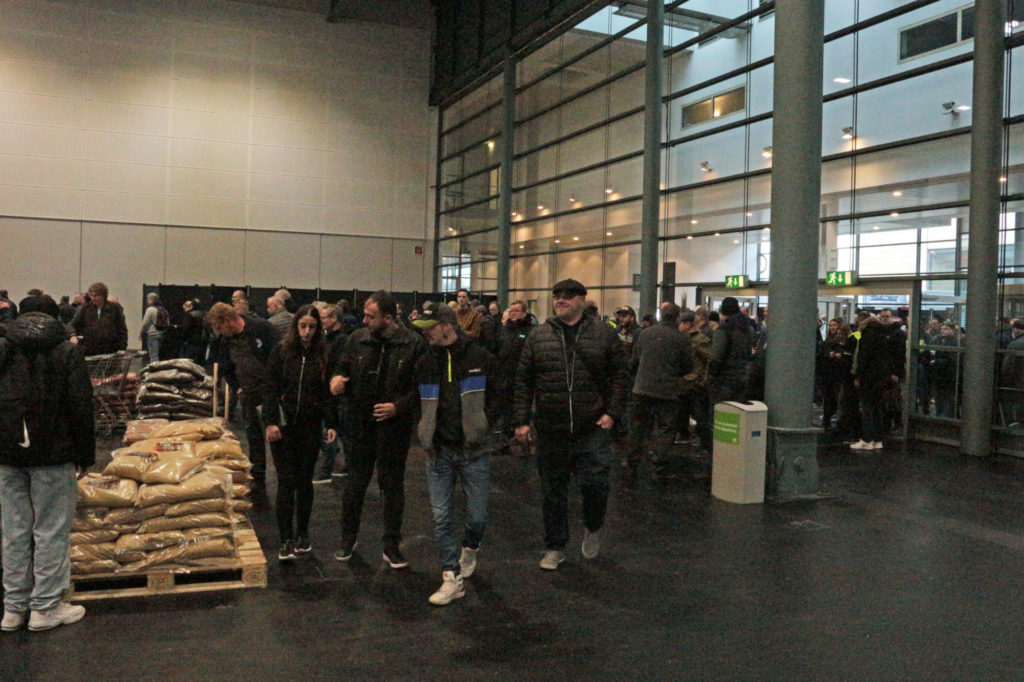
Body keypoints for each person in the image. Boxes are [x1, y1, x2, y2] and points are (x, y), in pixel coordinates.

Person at [512, 278, 629, 570]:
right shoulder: (539, 336)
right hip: (552, 428)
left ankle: (593, 525)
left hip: (592, 427)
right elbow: (524, 382)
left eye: (567, 296)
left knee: (596, 485)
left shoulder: (604, 334)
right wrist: (521, 421)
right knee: (553, 492)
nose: (560, 300)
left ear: (581, 299)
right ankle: (555, 546)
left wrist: (612, 414)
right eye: (556, 296)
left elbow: (620, 377)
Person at [0, 309, 95, 632]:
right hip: (53, 455)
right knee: (50, 530)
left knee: (13, 532)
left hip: (8, 454)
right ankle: (45, 608)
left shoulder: (4, 349)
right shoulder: (67, 352)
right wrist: (85, 455)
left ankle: (13, 609)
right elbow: (80, 405)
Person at [330, 290, 426, 568]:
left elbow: (422, 388)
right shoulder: (357, 339)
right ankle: (348, 539)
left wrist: (398, 407)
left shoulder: (413, 344)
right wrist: (337, 379)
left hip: (395, 427)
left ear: (388, 318)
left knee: (392, 486)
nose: (364, 320)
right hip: (359, 424)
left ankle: (391, 545)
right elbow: (341, 365)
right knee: (355, 484)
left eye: (370, 317)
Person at [412, 302, 497, 605]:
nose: (425, 334)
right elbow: (415, 402)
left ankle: (470, 547)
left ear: (447, 326)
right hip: (439, 452)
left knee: (477, 517)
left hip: (474, 452)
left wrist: (485, 425)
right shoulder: (423, 362)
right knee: (440, 516)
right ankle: (451, 576)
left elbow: (499, 395)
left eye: (429, 327)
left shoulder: (480, 357)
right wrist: (423, 433)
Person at [263, 306, 337, 560]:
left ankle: (302, 535)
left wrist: (331, 423)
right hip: (283, 428)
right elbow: (270, 388)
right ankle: (285, 539)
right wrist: (270, 422)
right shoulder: (281, 352)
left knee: (304, 482)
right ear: (295, 326)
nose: (307, 331)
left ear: (319, 328)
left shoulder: (323, 356)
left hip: (310, 427)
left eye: (312, 327)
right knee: (285, 482)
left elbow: (327, 395)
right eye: (303, 326)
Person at [206, 303, 278, 494]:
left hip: (272, 391)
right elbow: (225, 366)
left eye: (219, 327)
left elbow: (279, 357)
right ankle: (258, 476)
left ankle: (286, 475)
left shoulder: (262, 328)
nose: (219, 332)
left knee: (277, 433)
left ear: (228, 320)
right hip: (248, 392)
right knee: (254, 436)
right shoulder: (224, 340)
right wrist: (236, 387)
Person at [624, 302, 693, 483]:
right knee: (666, 429)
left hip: (642, 388)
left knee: (637, 427)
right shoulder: (682, 339)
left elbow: (634, 360)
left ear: (660, 316)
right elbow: (688, 366)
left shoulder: (645, 334)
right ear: (677, 318)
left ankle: (631, 464)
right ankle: (659, 467)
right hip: (667, 392)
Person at [313, 305, 350, 483]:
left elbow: (338, 366)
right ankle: (343, 466)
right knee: (337, 430)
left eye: (325, 317)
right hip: (327, 391)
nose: (321, 321)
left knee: (332, 429)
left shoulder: (342, 340)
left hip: (335, 394)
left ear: (334, 319)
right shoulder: (327, 339)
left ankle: (327, 470)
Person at [851, 314, 896, 450]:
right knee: (877, 408)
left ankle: (867, 439)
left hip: (868, 377)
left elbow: (863, 358)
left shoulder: (867, 336)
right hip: (880, 378)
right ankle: (878, 439)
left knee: (867, 408)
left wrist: (858, 376)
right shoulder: (883, 336)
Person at [707, 297, 753, 406]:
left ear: (722, 312)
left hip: (723, 380)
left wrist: (711, 375)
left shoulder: (723, 330)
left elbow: (716, 356)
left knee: (719, 413)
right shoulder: (748, 329)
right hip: (742, 377)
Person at [70, 282, 127, 356]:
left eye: (96, 295)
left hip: (111, 350)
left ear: (104, 295)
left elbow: (122, 329)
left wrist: (122, 348)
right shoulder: (84, 308)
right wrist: (72, 335)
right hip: (89, 349)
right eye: (91, 295)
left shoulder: (114, 308)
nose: (93, 298)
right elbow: (72, 325)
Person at [139, 292, 166, 362]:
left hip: (153, 335)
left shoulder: (150, 309)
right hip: (162, 334)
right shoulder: (163, 309)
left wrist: (141, 333)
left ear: (150, 300)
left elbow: (145, 323)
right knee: (159, 355)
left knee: (153, 356)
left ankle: (154, 370)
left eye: (147, 299)